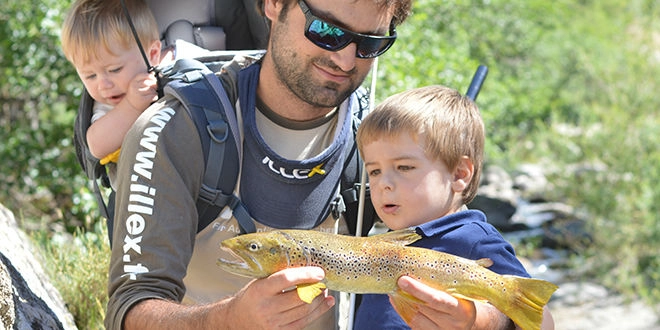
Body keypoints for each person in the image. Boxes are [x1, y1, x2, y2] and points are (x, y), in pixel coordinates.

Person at [101, 0, 529, 329]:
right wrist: (226, 319)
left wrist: (485, 319)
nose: (345, 60)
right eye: (325, 30)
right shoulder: (177, 130)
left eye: (370, 43)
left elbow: (466, 256)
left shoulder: (379, 145)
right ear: (273, 5)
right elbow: (129, 310)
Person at [353, 85, 555, 329]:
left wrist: (479, 320)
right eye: (374, 171)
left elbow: (541, 320)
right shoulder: (386, 243)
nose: (383, 183)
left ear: (459, 174)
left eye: (404, 167)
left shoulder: (472, 240)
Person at [61, 0, 161, 169]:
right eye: (90, 76)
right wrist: (131, 106)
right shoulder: (108, 107)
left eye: (115, 70)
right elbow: (96, 145)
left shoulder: (175, 59)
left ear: (152, 54)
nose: (103, 84)